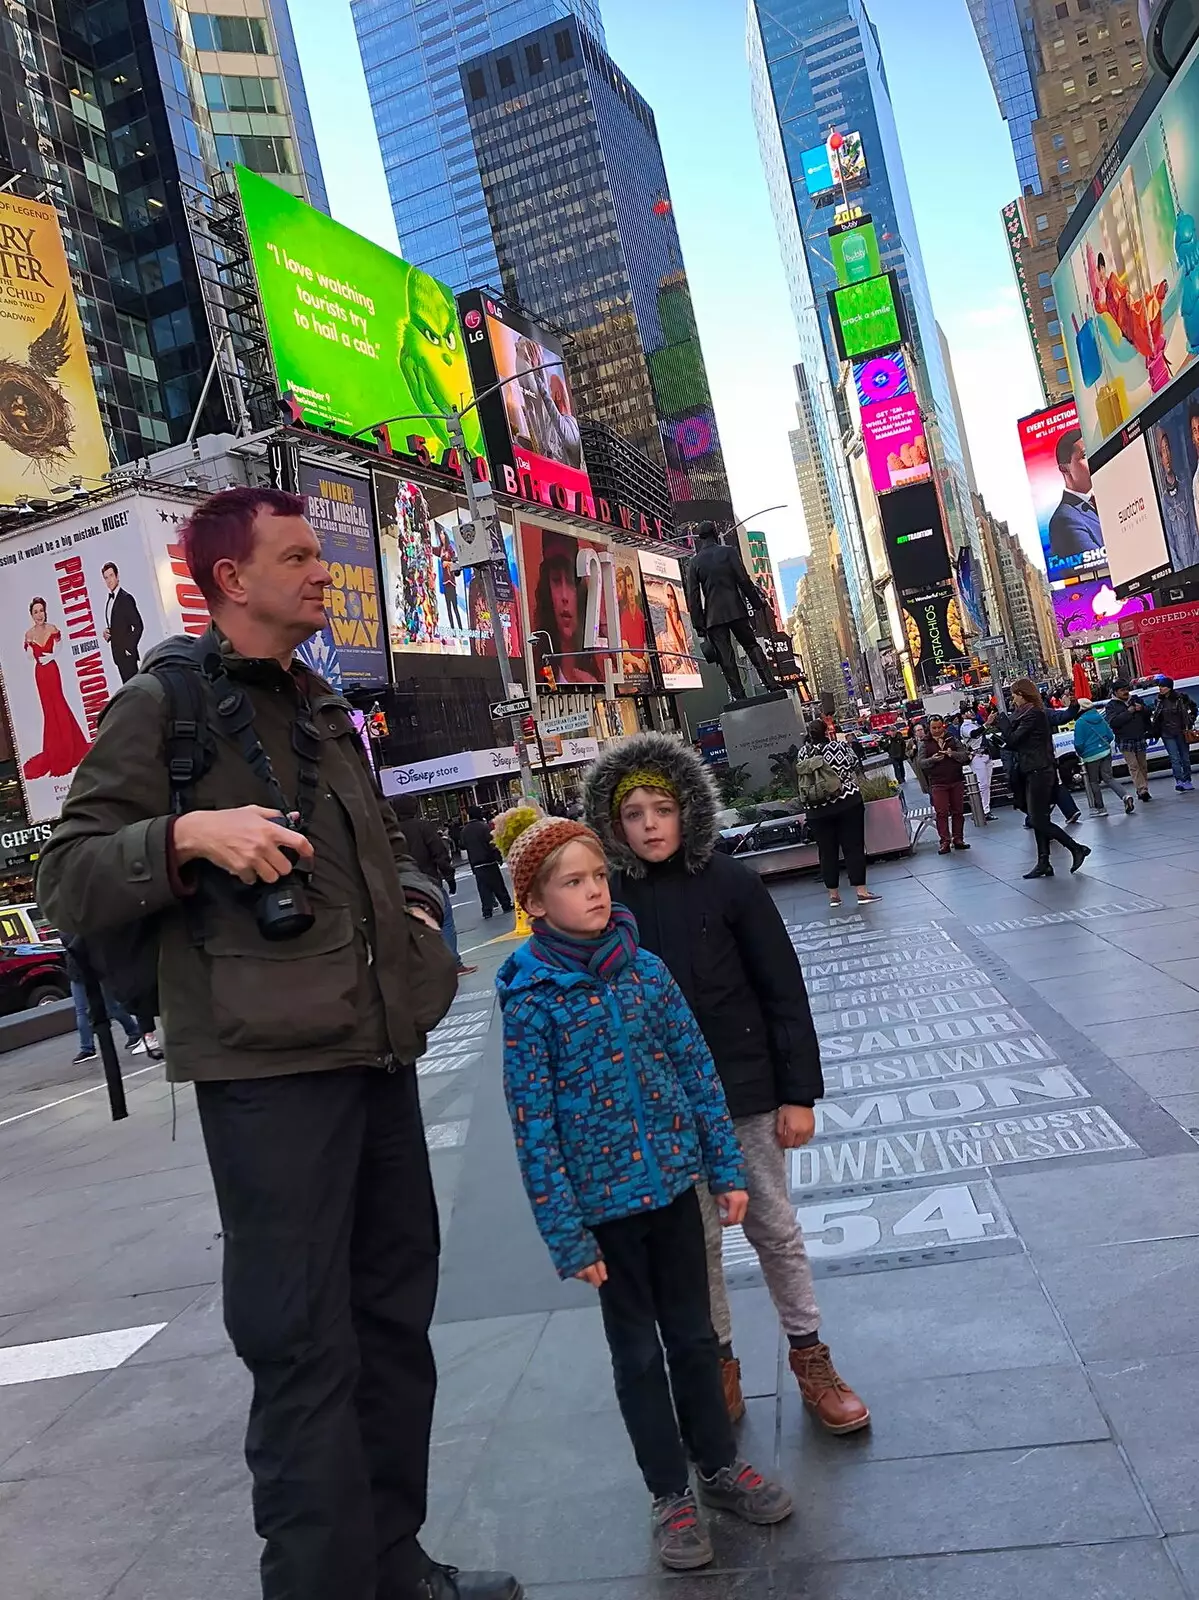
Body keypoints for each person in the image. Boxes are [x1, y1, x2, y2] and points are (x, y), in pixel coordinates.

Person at [35, 486, 515, 1600]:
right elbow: (68, 876)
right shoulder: (164, 706)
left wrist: (413, 902)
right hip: (267, 1074)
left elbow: (377, 845)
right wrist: (189, 832)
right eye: (296, 556)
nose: (321, 572)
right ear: (229, 581)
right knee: (301, 1349)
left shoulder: (320, 705)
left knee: (392, 1325)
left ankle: (394, 1563)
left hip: (375, 1050)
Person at [494, 807, 792, 1571]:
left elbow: (697, 1072)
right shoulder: (531, 999)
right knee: (635, 1356)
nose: (594, 892)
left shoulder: (646, 970)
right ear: (534, 902)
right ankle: (669, 1493)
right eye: (572, 882)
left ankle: (718, 1466)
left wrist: (724, 1170)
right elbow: (532, 1125)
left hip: (672, 1193)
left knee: (694, 1338)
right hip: (605, 1217)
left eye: (598, 876)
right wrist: (567, 1233)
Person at [583, 735, 869, 1436]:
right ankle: (717, 1364)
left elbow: (781, 992)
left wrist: (797, 1093)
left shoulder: (730, 883)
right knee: (697, 1242)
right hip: (663, 1107)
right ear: (614, 826)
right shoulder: (610, 902)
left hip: (744, 1091)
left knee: (773, 1227)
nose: (649, 824)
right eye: (633, 814)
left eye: (661, 808)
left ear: (686, 812)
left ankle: (810, 1356)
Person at [989, 680, 1090, 879]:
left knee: (1037, 819)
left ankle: (1076, 848)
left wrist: (1002, 723)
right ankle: (1043, 861)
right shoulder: (1027, 714)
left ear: (1023, 694)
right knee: (1040, 818)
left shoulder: (1034, 713)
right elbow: (1019, 744)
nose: (1013, 699)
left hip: (1039, 770)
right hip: (1032, 768)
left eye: (1015, 695)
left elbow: (1014, 739)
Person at [683, 522, 778, 702]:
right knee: (751, 645)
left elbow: (693, 598)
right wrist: (756, 603)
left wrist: (699, 626)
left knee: (726, 658)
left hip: (713, 617)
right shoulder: (729, 552)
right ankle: (771, 684)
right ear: (715, 533)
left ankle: (739, 696)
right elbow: (743, 580)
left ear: (700, 539)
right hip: (736, 609)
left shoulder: (694, 563)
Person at [795, 720, 881, 908]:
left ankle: (833, 895)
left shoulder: (802, 753)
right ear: (827, 731)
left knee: (826, 852)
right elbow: (853, 763)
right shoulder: (839, 747)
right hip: (846, 803)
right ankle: (861, 891)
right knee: (853, 847)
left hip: (816, 810)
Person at [392, 796, 477, 976]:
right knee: (445, 921)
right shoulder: (424, 827)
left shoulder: (389, 832)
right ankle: (454, 963)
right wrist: (449, 875)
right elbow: (439, 852)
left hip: (400, 886)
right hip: (428, 881)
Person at [22, 597, 90, 780]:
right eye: (35, 611)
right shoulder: (28, 634)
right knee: (48, 710)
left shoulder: (53, 628)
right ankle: (56, 750)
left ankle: (71, 747)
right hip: (40, 674)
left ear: (45, 611)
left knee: (60, 705)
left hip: (52, 671)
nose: (39, 614)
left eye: (41, 610)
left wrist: (51, 656)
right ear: (31, 614)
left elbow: (59, 646)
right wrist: (30, 646)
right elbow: (29, 657)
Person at [532, 530, 601, 685]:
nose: (564, 596)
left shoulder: (593, 666)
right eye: (556, 580)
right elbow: (549, 690)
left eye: (570, 582)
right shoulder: (545, 667)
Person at [65, 935, 145, 1064]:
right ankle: (134, 1032)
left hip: (79, 970)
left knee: (84, 1011)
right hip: (94, 968)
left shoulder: (65, 924)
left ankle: (87, 1048)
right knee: (111, 1006)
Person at [1047, 429, 1103, 563]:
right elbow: (1098, 565)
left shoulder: (1107, 496)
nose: (1093, 459)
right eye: (1084, 456)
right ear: (1064, 469)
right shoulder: (1064, 520)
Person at [1073, 698, 1135, 815]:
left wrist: (1082, 753)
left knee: (1094, 782)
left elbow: (1079, 743)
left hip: (1090, 756)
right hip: (1105, 752)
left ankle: (1100, 808)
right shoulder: (1100, 718)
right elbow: (1110, 736)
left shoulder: (1080, 723)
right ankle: (1125, 796)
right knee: (1109, 778)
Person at [919, 716, 971, 853]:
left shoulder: (952, 739)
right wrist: (933, 760)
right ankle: (945, 841)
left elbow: (965, 755)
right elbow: (921, 763)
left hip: (956, 780)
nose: (936, 730)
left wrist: (952, 754)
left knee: (958, 811)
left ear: (943, 726)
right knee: (941, 813)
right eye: (933, 728)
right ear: (929, 728)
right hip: (938, 782)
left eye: (938, 727)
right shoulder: (925, 743)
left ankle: (958, 838)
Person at [461, 804, 513, 919]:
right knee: (498, 884)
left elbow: (462, 845)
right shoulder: (484, 827)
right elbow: (492, 843)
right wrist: (498, 857)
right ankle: (506, 904)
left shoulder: (465, 830)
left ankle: (487, 910)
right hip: (488, 860)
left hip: (476, 863)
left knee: (483, 888)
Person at [1106, 681, 1155, 801]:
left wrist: (1141, 708)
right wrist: (1128, 712)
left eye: (1126, 689)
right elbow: (1113, 722)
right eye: (1122, 690)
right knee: (1133, 766)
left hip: (1139, 736)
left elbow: (1149, 711)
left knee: (1142, 765)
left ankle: (1143, 789)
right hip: (1124, 739)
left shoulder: (1136, 699)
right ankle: (1142, 789)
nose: (1125, 692)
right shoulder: (1111, 705)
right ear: (1116, 692)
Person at [1150, 675, 1197, 792]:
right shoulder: (1159, 700)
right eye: (1159, 686)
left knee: (1185, 757)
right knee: (1174, 758)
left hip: (1182, 731)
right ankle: (1179, 780)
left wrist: (1190, 720)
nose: (1160, 688)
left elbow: (1193, 708)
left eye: (1163, 686)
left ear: (1169, 687)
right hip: (1167, 733)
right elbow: (1156, 717)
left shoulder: (1181, 698)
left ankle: (1187, 780)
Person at [101, 561, 145, 684]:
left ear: (117, 576)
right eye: (106, 577)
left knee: (135, 692)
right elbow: (117, 624)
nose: (109, 580)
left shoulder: (126, 598)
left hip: (127, 656)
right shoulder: (110, 599)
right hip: (118, 656)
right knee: (130, 693)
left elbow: (138, 626)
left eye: (111, 576)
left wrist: (129, 649)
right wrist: (108, 632)